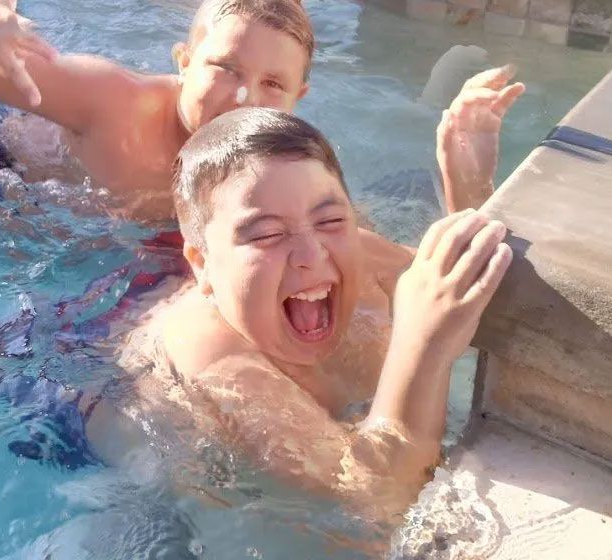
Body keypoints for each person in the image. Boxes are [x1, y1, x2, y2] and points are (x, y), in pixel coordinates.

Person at [112, 107, 511, 529]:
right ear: (202, 263)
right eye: (266, 233)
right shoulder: (209, 357)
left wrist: (469, 196)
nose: (312, 255)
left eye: (331, 219)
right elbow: (377, 502)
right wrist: (423, 344)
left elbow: (457, 298)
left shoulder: (363, 255)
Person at [0, 0, 524, 224]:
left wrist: (464, 190)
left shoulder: (286, 160)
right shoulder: (116, 102)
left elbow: (366, 260)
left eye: (272, 84)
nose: (245, 100)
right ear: (183, 63)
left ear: (299, 98)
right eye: (224, 68)